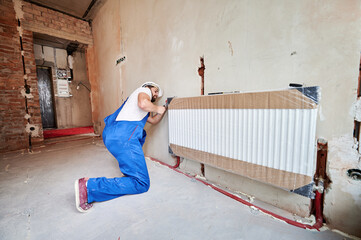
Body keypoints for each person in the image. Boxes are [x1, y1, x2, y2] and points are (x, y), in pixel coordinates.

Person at [74, 82, 167, 212]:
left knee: (133, 174)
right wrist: (158, 108)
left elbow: (154, 120)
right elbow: (143, 104)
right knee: (142, 183)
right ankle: (89, 187)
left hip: (114, 136)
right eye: (155, 91)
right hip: (124, 137)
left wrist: (163, 109)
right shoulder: (143, 91)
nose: (156, 94)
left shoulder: (136, 107)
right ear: (148, 87)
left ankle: (100, 183)